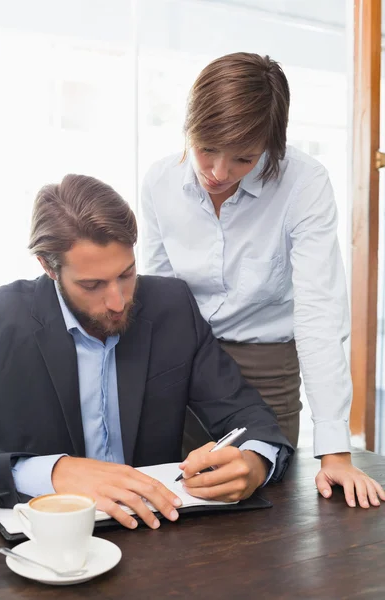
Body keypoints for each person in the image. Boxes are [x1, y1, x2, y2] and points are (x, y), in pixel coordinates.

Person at [141, 52, 385, 509]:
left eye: (243, 158)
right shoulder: (159, 182)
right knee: (176, 500)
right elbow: (159, 300)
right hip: (182, 360)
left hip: (267, 364)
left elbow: (318, 313)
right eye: (205, 148)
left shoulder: (304, 183)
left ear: (271, 145)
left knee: (263, 508)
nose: (217, 172)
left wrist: (335, 451)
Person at [0, 173, 293, 530]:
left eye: (126, 274)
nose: (117, 301)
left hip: (158, 533)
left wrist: (254, 461)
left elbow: (248, 414)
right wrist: (54, 472)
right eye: (92, 285)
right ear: (47, 267)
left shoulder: (172, 306)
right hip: (43, 540)